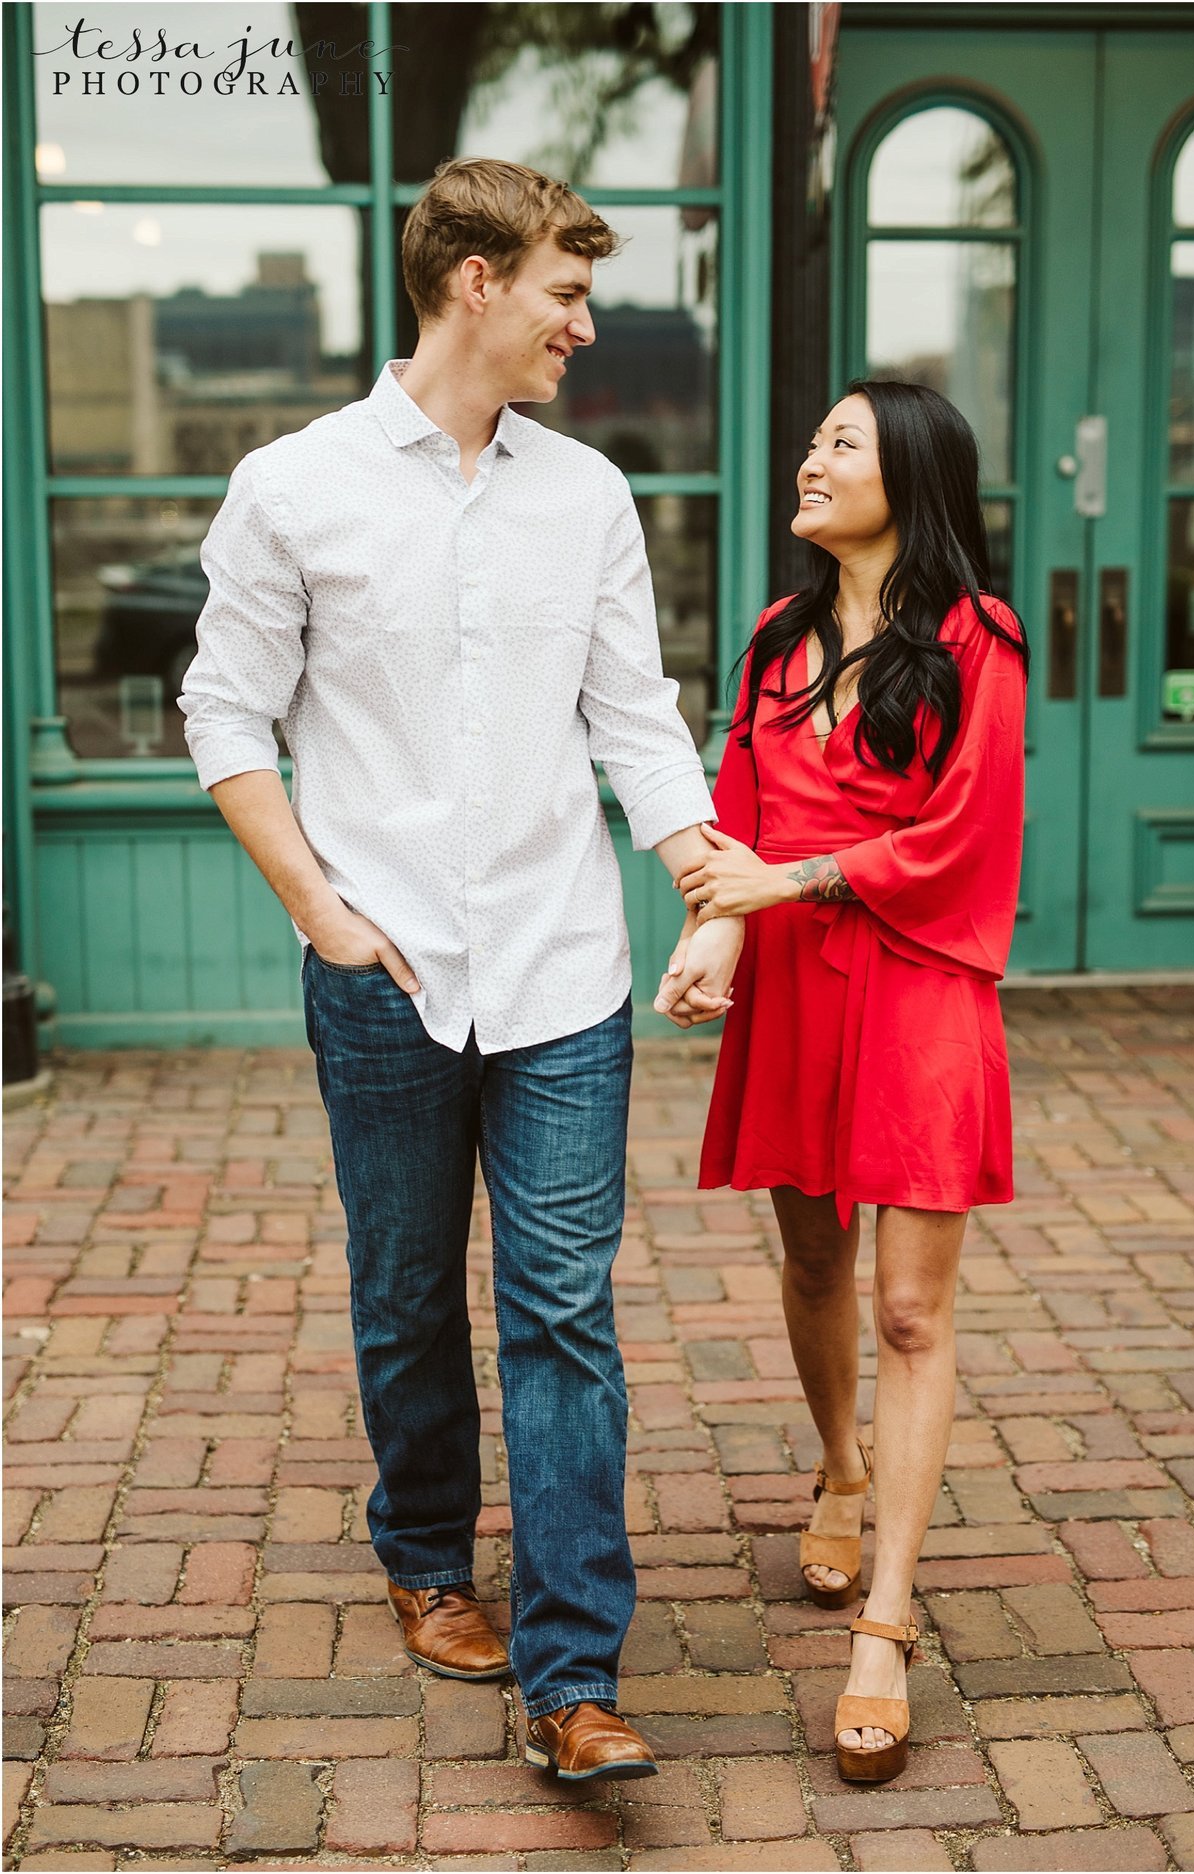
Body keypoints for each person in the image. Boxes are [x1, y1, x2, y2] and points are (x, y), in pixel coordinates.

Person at [179, 158, 744, 1782]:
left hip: (565, 963)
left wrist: (707, 886)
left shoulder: (588, 496)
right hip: (386, 965)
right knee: (409, 1289)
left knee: (563, 1309)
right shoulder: (294, 484)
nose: (587, 320)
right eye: (569, 288)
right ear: (476, 281)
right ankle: (428, 1550)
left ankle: (575, 1673)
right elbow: (227, 715)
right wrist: (325, 910)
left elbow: (636, 714)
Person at [664, 379, 1027, 1785]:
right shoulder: (775, 635)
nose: (810, 458)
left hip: (920, 976)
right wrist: (716, 928)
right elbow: (737, 803)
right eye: (814, 437)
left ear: (914, 477)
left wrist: (794, 877)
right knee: (811, 1258)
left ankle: (884, 1623)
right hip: (793, 987)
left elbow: (967, 826)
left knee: (911, 1307)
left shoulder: (979, 639)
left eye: (842, 443)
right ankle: (837, 1467)